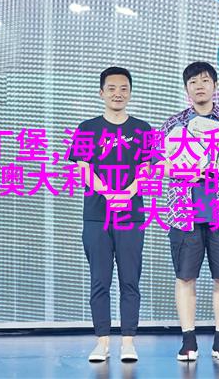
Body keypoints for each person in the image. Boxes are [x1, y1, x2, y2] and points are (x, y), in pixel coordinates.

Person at [155, 62, 219, 361]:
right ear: (186, 88)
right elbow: (156, 165)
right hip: (185, 213)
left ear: (215, 86)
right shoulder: (173, 125)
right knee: (185, 278)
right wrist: (183, 170)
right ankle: (188, 341)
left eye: (205, 80)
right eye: (193, 82)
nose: (199, 86)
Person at [68, 67, 151, 363]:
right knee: (99, 281)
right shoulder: (87, 128)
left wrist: (127, 193)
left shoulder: (142, 128)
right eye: (112, 88)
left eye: (124, 88)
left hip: (131, 216)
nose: (118, 93)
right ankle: (101, 343)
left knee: (130, 280)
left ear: (130, 93)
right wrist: (107, 193)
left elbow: (146, 168)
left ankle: (128, 342)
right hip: (96, 216)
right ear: (101, 92)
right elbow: (83, 168)